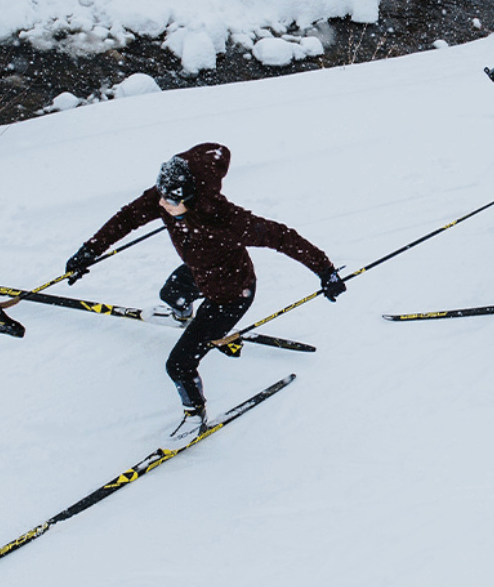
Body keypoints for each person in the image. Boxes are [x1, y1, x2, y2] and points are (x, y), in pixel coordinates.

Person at [64, 143, 346, 442]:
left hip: (230, 294)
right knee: (171, 293)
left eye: (173, 203)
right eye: (162, 199)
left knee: (178, 365)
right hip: (198, 272)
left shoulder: (226, 219)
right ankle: (187, 317)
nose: (165, 207)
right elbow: (125, 219)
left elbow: (282, 237)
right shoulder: (164, 195)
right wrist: (88, 252)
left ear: (190, 196)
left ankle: (194, 414)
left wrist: (325, 270)